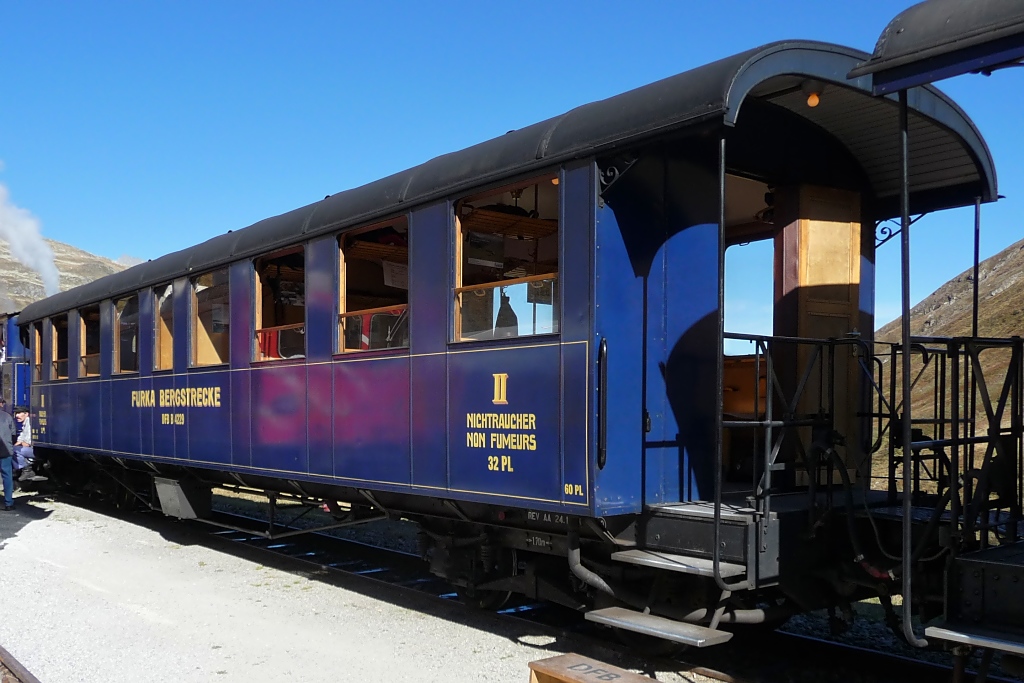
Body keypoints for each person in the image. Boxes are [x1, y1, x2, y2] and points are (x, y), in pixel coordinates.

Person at [0, 400, 16, 510]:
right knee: (7, 476)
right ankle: (8, 503)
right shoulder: (7, 416)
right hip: (6, 451)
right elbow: (13, 434)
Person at [13, 406, 33, 482]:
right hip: (30, 448)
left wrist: (17, 446)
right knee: (11, 449)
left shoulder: (29, 423)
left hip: (33, 449)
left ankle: (27, 470)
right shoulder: (24, 423)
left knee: (14, 450)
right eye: (16, 413)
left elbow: (27, 443)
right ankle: (18, 469)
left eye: (19, 413)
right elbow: (21, 438)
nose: (16, 416)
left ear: (26, 414)